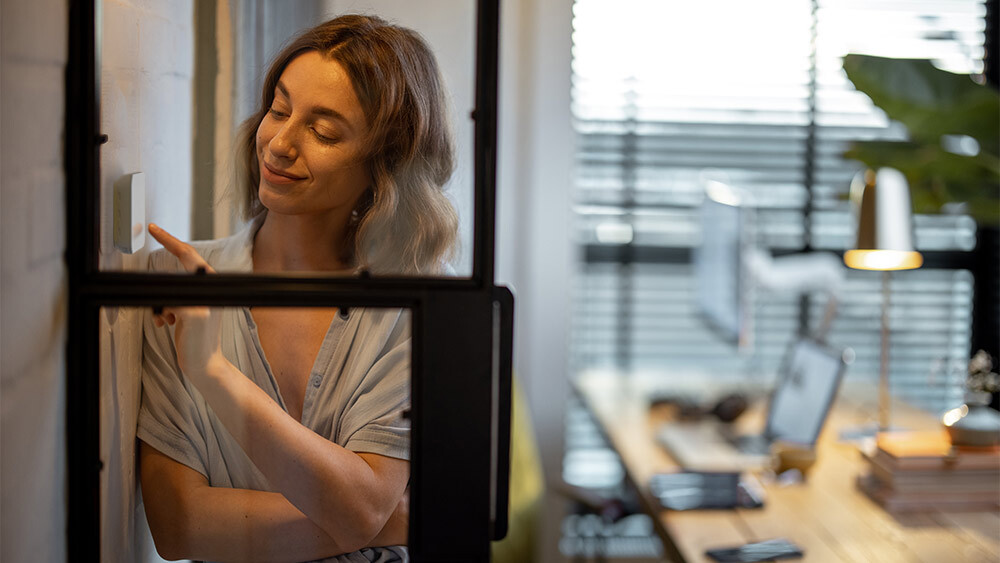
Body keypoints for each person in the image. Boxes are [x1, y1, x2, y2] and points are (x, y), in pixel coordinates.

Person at [136, 14, 458, 563]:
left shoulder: (421, 303)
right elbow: (178, 525)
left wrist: (210, 370)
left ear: (386, 164)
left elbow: (358, 509)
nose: (280, 143)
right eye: (279, 110)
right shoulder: (182, 283)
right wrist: (388, 519)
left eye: (324, 131)